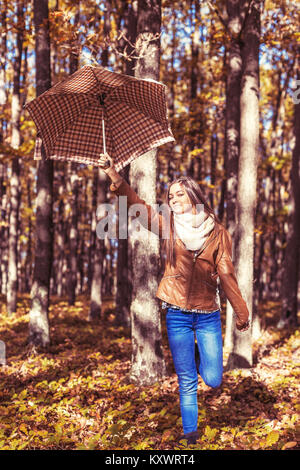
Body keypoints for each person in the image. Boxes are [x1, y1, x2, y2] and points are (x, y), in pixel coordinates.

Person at [98, 153, 250, 445]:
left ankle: (196, 354)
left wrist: (241, 313)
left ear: (194, 196)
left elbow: (228, 274)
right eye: (170, 195)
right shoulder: (167, 225)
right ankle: (190, 435)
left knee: (214, 379)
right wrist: (114, 175)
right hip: (177, 314)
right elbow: (137, 206)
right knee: (187, 380)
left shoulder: (218, 232)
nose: (174, 198)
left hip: (207, 315)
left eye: (180, 193)